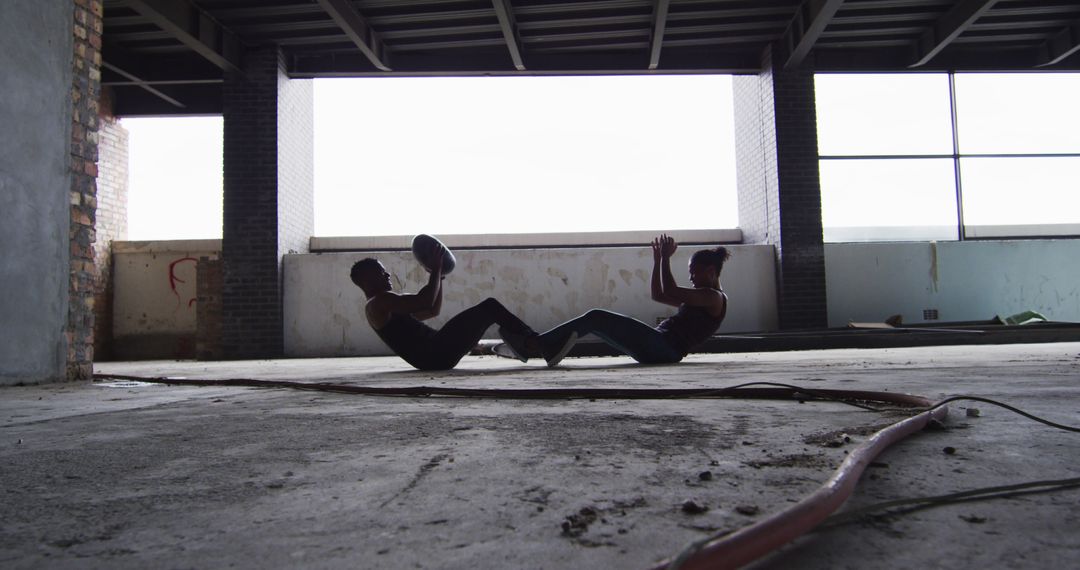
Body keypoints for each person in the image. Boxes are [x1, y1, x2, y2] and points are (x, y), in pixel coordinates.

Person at [520, 234, 730, 366]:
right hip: (658, 347)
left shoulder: (713, 298)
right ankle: (548, 347)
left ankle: (537, 343)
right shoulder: (700, 300)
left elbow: (672, 290)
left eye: (694, 272)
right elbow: (659, 294)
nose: (691, 277)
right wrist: (658, 261)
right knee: (595, 323)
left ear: (711, 272)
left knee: (596, 316)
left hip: (663, 347)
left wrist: (666, 258)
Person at [349, 241, 537, 370]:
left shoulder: (389, 306)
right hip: (436, 352)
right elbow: (424, 300)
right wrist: (436, 268)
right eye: (382, 273)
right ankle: (534, 342)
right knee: (489, 307)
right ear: (368, 279)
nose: (388, 275)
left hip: (437, 355)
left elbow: (431, 310)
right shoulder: (379, 302)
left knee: (489, 310)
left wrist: (438, 276)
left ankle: (526, 341)